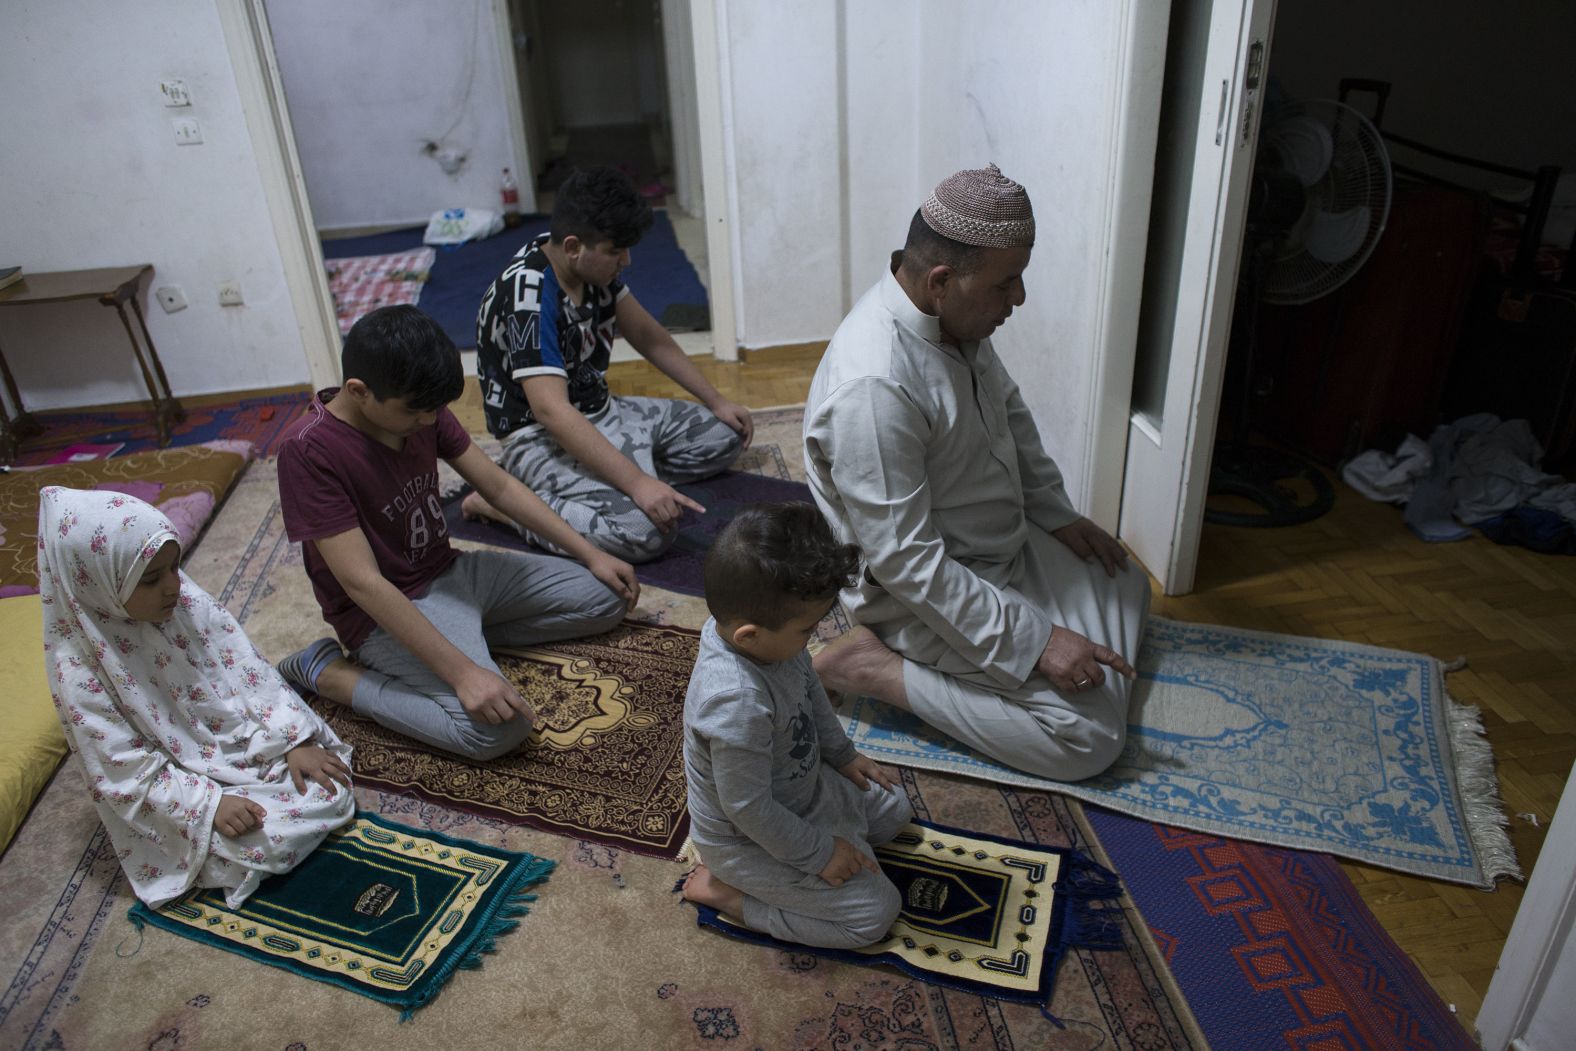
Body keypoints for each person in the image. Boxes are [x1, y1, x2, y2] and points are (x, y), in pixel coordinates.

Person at [804, 164, 1151, 782]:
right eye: (1007, 284)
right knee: (1090, 738)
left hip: (995, 550)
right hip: (916, 594)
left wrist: (1056, 513)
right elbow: (907, 564)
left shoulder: (951, 318)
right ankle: (875, 668)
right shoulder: (874, 388)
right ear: (941, 280)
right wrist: (1038, 641)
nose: (1017, 299)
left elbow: (1009, 415)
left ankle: (1032, 637)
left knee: (1124, 579)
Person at [273, 305, 638, 762]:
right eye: (416, 413)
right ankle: (332, 674)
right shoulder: (308, 451)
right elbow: (361, 582)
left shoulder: (420, 406)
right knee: (498, 732)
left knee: (607, 596)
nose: (429, 422)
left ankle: (467, 637)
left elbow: (499, 486)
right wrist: (463, 673)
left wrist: (591, 554)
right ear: (359, 391)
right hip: (385, 611)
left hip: (452, 572)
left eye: (434, 410)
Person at [38, 486, 355, 909]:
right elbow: (124, 772)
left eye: (175, 568)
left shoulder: (181, 597)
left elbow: (245, 669)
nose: (173, 587)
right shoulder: (78, 670)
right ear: (96, 584)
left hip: (240, 744)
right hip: (180, 790)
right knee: (267, 842)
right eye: (151, 580)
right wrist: (209, 805)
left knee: (328, 781)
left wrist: (292, 739)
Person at [468, 165, 753, 563]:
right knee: (646, 533)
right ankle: (506, 504)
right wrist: (636, 482)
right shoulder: (529, 295)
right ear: (573, 246)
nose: (627, 261)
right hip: (539, 436)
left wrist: (717, 400)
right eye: (616, 252)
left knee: (726, 434)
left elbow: (651, 337)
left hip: (602, 411)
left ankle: (624, 480)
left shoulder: (589, 269)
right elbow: (552, 411)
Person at [680, 502, 914, 950]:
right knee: (875, 914)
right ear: (749, 635)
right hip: (747, 840)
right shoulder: (733, 702)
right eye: (807, 630)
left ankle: (833, 844)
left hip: (802, 792)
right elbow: (747, 809)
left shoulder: (767, 642)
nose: (816, 638)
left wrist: (843, 756)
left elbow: (809, 691)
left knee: (895, 810)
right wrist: (821, 854)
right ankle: (730, 897)